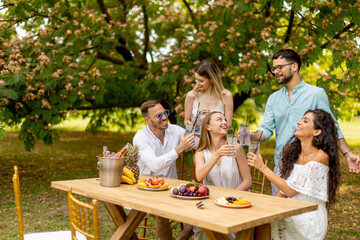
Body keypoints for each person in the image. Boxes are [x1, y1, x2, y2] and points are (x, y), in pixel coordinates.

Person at [250, 49, 359, 195]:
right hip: (281, 166)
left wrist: (348, 154)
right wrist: (253, 135)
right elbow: (266, 130)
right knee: (280, 213)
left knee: (304, 211)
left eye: (280, 67)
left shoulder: (316, 94)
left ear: (294, 67)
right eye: (274, 68)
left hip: (307, 165)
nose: (276, 71)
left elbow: (332, 127)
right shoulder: (273, 99)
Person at [247, 109, 341, 240]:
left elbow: (290, 190)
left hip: (307, 217)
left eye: (305, 121)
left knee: (262, 225)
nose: (299, 122)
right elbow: (282, 191)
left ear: (317, 131)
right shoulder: (292, 152)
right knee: (258, 222)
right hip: (288, 210)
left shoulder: (320, 156)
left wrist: (262, 167)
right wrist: (268, 208)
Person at [133, 100, 195, 240]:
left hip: (172, 189)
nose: (165, 117)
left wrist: (195, 130)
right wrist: (180, 148)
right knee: (162, 213)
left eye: (165, 113)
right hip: (146, 190)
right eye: (159, 115)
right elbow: (154, 165)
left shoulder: (175, 130)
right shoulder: (140, 137)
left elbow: (196, 142)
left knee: (200, 208)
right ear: (148, 120)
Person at [193, 111, 252, 240]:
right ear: (208, 127)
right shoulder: (201, 153)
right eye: (219, 120)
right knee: (204, 224)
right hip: (213, 205)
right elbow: (199, 176)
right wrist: (217, 155)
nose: (224, 122)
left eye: (225, 120)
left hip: (236, 203)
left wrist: (228, 199)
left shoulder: (236, 148)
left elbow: (247, 181)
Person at [184, 60, 234, 136]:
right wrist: (190, 125)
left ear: (212, 79)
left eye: (201, 81)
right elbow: (186, 120)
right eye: (196, 79)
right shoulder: (191, 96)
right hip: (195, 142)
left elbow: (228, 126)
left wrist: (211, 117)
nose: (197, 84)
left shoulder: (226, 96)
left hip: (217, 144)